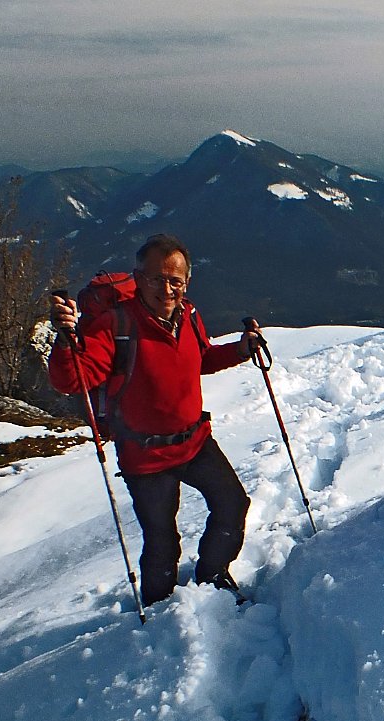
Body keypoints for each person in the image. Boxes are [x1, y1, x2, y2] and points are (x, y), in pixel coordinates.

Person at [48, 233, 264, 606]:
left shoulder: (190, 315)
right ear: (138, 278)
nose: (167, 289)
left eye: (175, 280)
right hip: (144, 457)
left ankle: (213, 576)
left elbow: (201, 358)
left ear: (187, 282)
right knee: (162, 540)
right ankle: (162, 611)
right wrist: (67, 340)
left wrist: (241, 351)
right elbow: (72, 381)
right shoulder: (116, 326)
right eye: (156, 278)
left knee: (232, 505)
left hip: (195, 442)